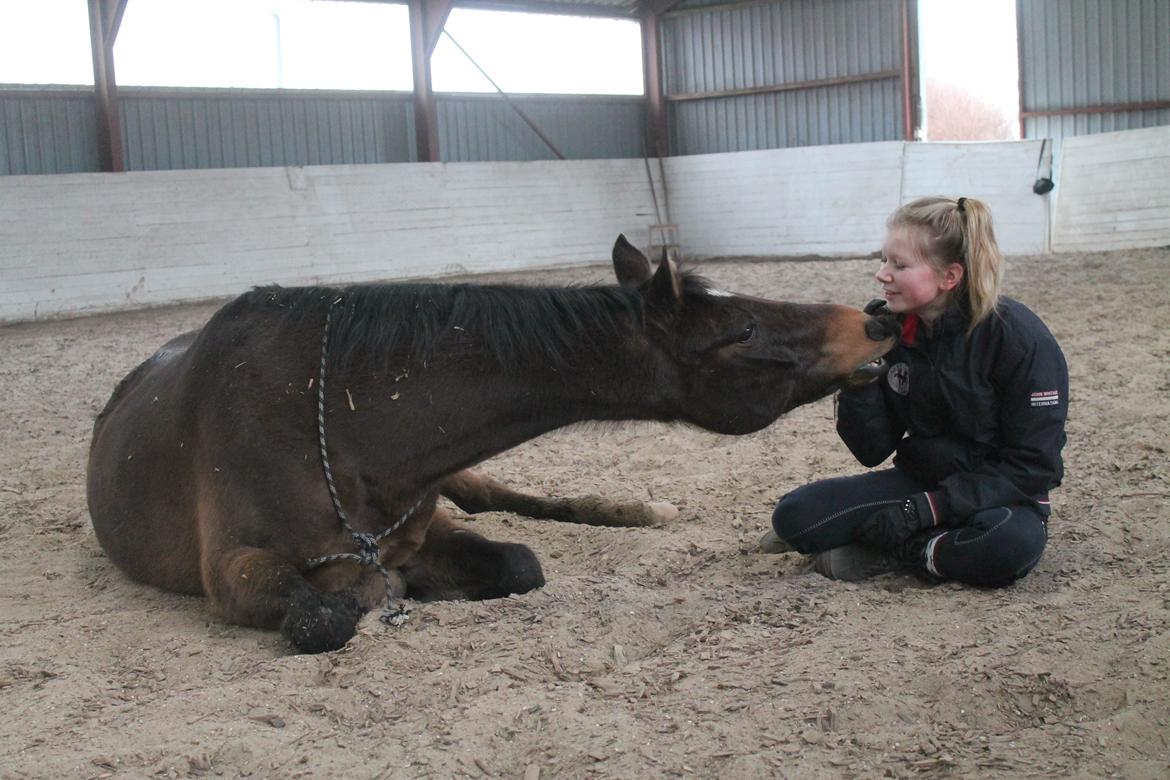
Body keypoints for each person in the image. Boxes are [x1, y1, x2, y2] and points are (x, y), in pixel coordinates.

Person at [762, 196, 1068, 587]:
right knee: (795, 515)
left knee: (1005, 546)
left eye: (899, 265)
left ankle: (899, 554)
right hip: (922, 480)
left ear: (949, 277)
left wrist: (926, 510)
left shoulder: (1019, 339)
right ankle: (930, 546)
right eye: (884, 259)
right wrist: (859, 380)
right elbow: (871, 450)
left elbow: (1035, 466)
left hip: (1000, 497)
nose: (882, 274)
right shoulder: (895, 333)